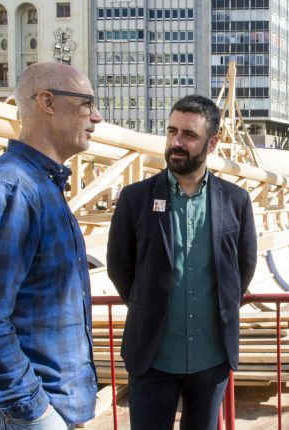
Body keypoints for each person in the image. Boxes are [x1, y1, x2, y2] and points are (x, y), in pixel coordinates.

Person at [0, 63, 102, 429]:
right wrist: (37, 413)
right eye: (86, 104)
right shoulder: (9, 190)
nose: (96, 117)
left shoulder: (38, 186)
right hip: (17, 417)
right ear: (47, 102)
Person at [107, 95, 257, 429]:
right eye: (172, 131)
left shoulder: (235, 200)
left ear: (212, 143)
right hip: (153, 358)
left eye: (188, 135)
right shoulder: (135, 199)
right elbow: (119, 266)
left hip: (211, 360)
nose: (176, 141)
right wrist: (147, 303)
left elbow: (244, 267)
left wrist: (222, 306)